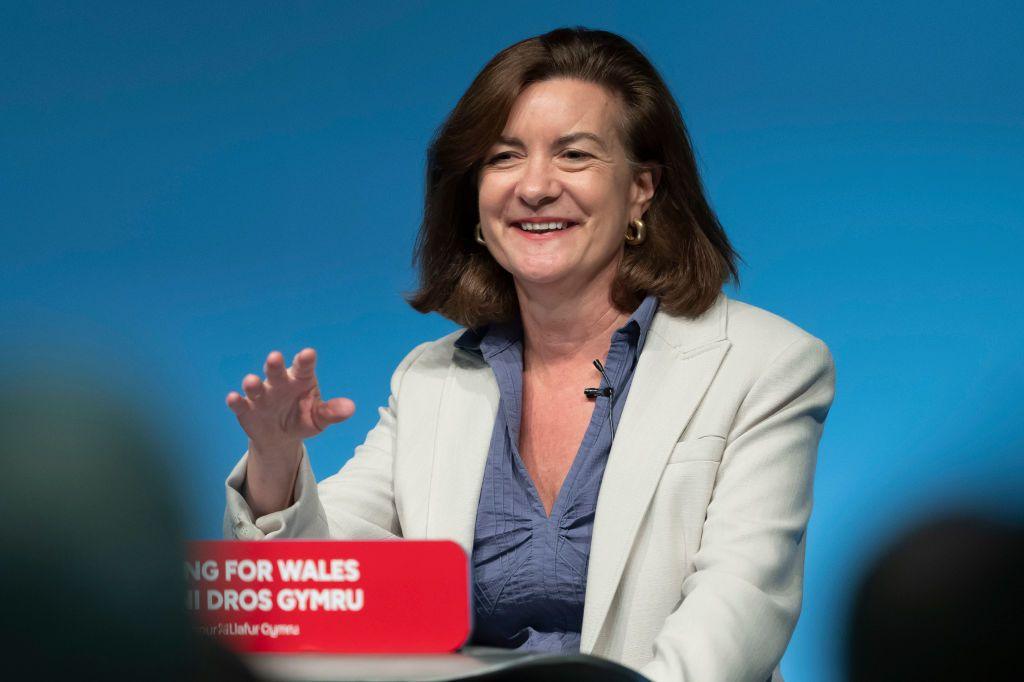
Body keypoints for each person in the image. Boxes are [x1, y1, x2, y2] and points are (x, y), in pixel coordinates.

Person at [224, 27, 836, 682]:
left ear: (641, 189)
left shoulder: (767, 365)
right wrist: (276, 459)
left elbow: (736, 617)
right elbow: (319, 603)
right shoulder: (430, 381)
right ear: (475, 200)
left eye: (574, 155)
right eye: (504, 157)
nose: (535, 187)